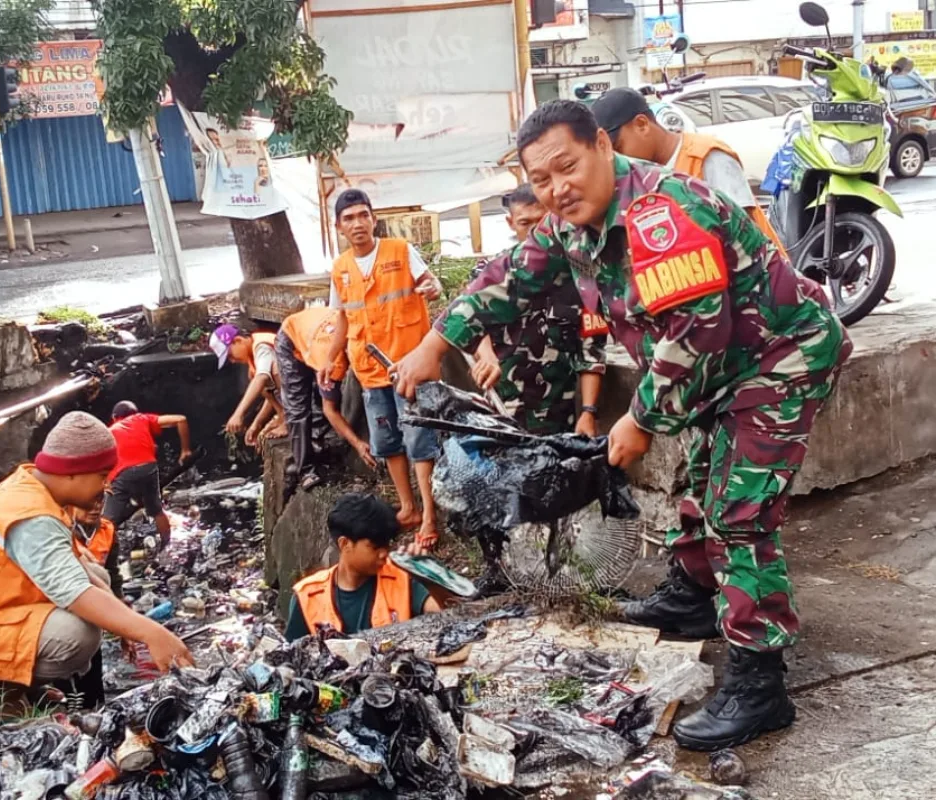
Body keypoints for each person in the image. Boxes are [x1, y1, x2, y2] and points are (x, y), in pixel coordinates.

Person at [393, 100, 852, 751]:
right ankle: (694, 597)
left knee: (738, 512)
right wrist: (441, 339)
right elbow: (509, 277)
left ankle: (760, 682)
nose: (558, 189)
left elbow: (697, 332)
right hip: (718, 372)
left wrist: (639, 420)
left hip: (778, 356)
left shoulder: (662, 213)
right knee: (698, 479)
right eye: (542, 178)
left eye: (568, 167)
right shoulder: (570, 226)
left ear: (603, 147)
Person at [0, 412, 193, 717]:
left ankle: (18, 681)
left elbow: (81, 572)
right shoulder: (32, 516)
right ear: (72, 473)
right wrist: (152, 633)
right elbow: (76, 592)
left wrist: (128, 623)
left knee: (98, 575)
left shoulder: (31, 486)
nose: (106, 486)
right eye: (101, 476)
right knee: (79, 634)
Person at [322, 189, 443, 549]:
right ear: (338, 227)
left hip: (410, 367)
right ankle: (408, 509)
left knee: (420, 440)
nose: (357, 223)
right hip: (371, 373)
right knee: (388, 442)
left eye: (363, 215)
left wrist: (433, 288)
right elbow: (342, 318)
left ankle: (431, 516)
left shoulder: (400, 251)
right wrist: (331, 359)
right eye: (349, 218)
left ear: (374, 219)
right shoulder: (340, 268)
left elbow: (431, 283)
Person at [470, 184, 607, 435]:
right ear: (511, 222)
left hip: (557, 415)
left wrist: (589, 411)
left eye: (541, 220)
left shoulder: (582, 278)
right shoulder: (492, 273)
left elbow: (591, 351)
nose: (535, 231)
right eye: (525, 223)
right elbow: (473, 320)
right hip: (503, 410)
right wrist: (486, 355)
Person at [592, 87, 787, 255]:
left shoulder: (707, 156)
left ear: (642, 125)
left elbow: (744, 231)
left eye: (618, 147)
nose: (618, 159)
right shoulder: (639, 176)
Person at [285, 493, 441, 641]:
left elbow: (449, 614)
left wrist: (428, 573)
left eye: (386, 545)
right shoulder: (308, 596)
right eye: (375, 547)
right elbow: (291, 659)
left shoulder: (402, 578)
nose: (384, 554)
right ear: (345, 544)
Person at [276, 306, 376, 491]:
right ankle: (305, 469)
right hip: (292, 336)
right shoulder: (333, 363)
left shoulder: (360, 332)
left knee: (320, 393)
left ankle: (317, 440)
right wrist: (358, 444)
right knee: (298, 406)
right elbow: (330, 410)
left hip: (314, 328)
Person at [103, 401, 191, 548]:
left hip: (123, 474)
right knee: (157, 511)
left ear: (114, 417)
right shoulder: (142, 418)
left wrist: (105, 483)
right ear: (135, 412)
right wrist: (185, 450)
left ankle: (108, 559)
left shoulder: (109, 431)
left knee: (107, 522)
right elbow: (180, 419)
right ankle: (166, 545)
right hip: (148, 468)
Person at [210, 324, 288, 445]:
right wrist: (256, 424)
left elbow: (262, 377)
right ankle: (283, 416)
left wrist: (238, 414)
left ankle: (290, 420)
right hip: (293, 392)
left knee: (263, 375)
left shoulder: (262, 347)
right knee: (255, 377)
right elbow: (269, 392)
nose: (232, 360)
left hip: (308, 387)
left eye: (230, 355)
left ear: (238, 340)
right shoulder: (253, 360)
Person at [72, 499, 121, 596]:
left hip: (100, 592)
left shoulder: (107, 529)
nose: (96, 507)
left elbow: (113, 573)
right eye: (87, 501)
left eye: (100, 499)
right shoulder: (60, 530)